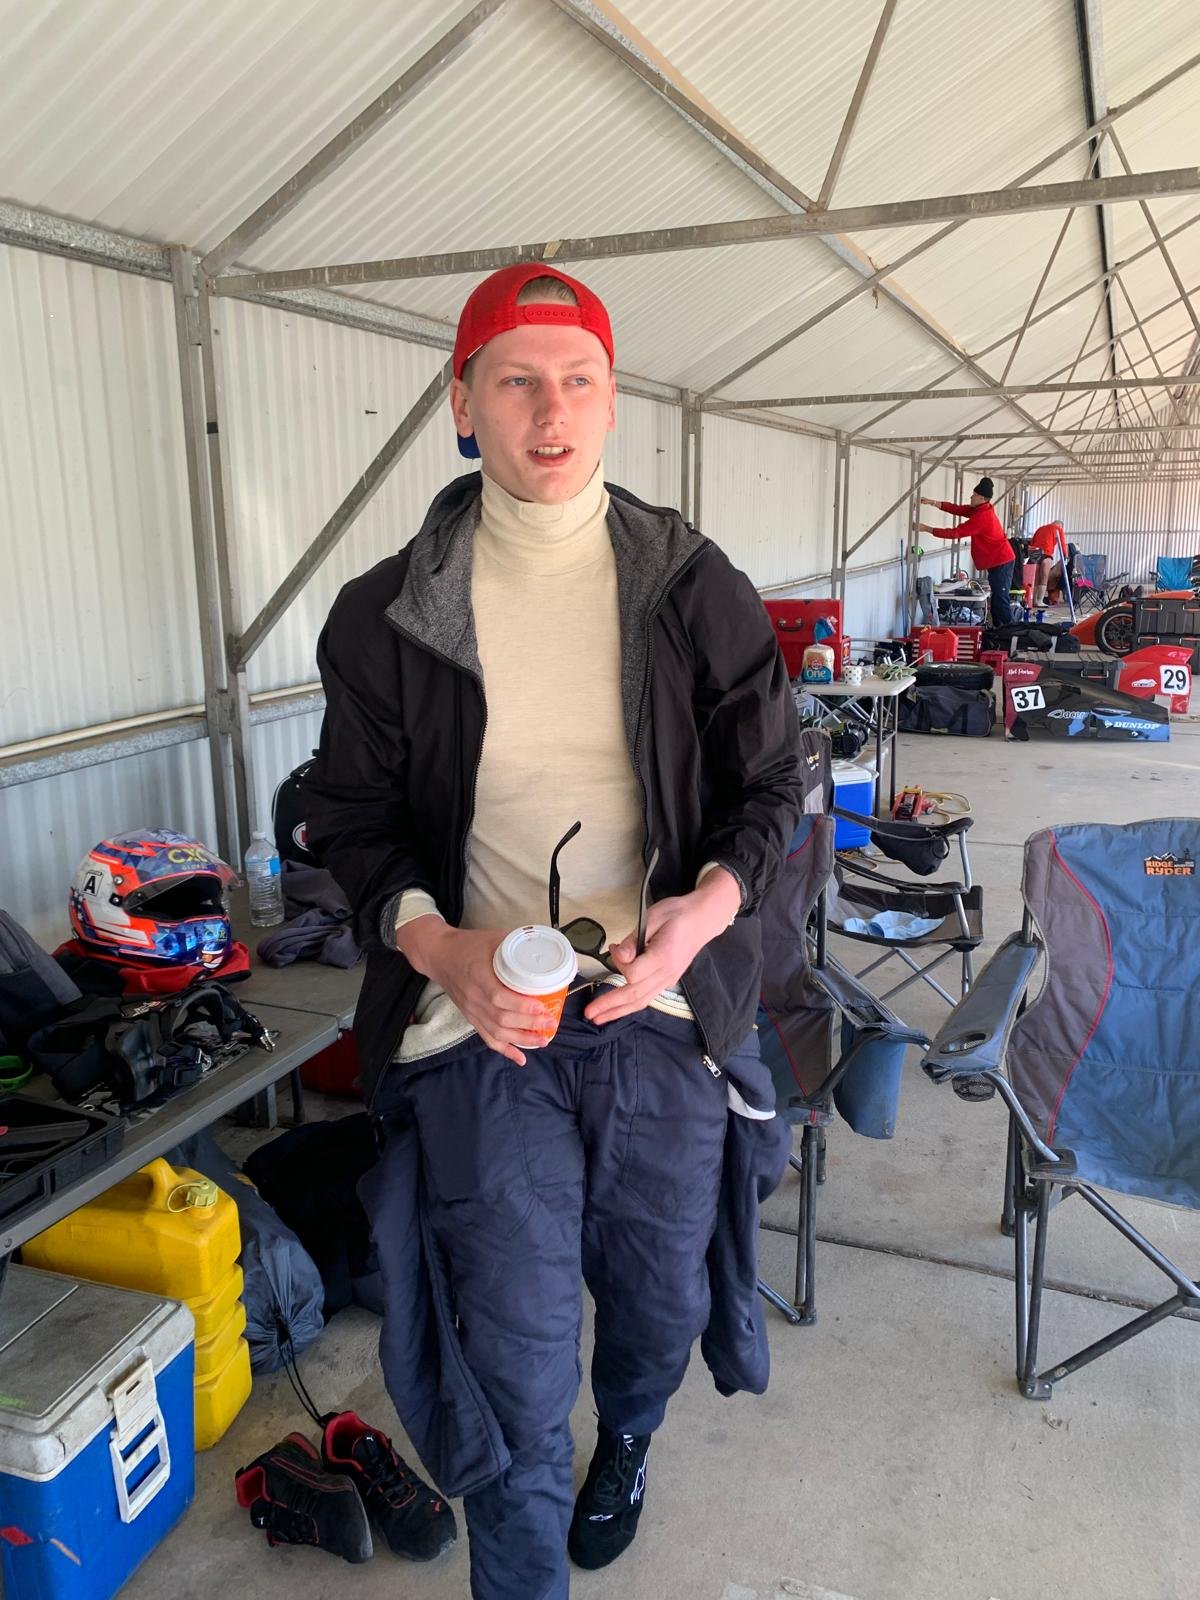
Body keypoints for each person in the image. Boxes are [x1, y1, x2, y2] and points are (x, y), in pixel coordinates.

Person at [304, 262, 805, 1600]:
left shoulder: (697, 590)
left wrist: (700, 919)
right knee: (512, 1362)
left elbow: (769, 792)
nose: (550, 411)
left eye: (577, 380)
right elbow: (346, 819)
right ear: (462, 405)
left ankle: (630, 1438)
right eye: (516, 381)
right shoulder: (383, 617)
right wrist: (440, 947)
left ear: (613, 401)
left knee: (654, 1304)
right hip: (486, 1023)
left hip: (653, 1008)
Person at [917, 476, 1016, 624]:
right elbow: (958, 509)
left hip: (1002, 561)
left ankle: (1011, 633)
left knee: (1000, 600)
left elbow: (955, 533)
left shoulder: (983, 517)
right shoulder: (982, 509)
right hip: (997, 561)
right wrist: (933, 503)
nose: (971, 496)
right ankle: (999, 632)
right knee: (996, 599)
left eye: (974, 494)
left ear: (982, 498)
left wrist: (926, 529)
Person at [1028, 520, 1069, 608]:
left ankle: (1033, 600)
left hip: (1034, 552)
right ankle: (1040, 600)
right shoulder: (1058, 529)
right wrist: (1065, 556)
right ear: (1060, 526)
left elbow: (1031, 543)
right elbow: (1062, 545)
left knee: (1036, 578)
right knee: (1044, 576)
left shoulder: (1040, 529)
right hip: (1046, 553)